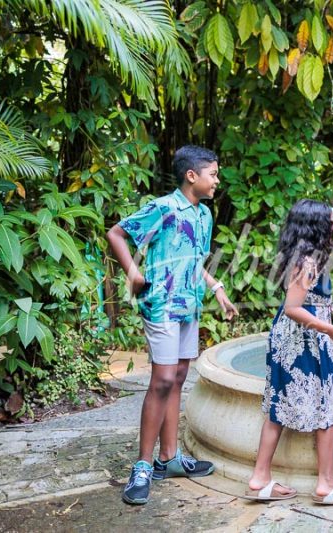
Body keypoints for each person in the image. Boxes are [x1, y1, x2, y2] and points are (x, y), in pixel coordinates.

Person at [107, 145, 238, 505]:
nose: (217, 180)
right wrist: (132, 272)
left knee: (179, 376)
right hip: (161, 305)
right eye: (213, 173)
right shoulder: (163, 208)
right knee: (162, 379)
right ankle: (143, 466)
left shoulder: (205, 215)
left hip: (189, 306)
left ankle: (170, 457)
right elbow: (116, 234)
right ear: (191, 176)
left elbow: (194, 260)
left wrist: (217, 289)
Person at [245, 199, 333, 505]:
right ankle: (326, 484)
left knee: (278, 407)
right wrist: (331, 329)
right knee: (327, 407)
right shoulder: (309, 262)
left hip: (296, 339)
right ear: (317, 226)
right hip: (303, 341)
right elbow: (293, 308)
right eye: (331, 221)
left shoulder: (305, 257)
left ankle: (260, 479)